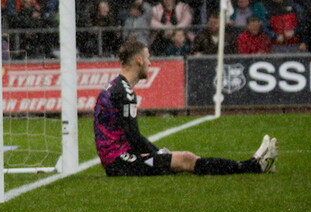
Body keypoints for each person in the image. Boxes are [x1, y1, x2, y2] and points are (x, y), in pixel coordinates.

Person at [94, 39, 277, 177]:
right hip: (119, 162)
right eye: (148, 58)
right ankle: (252, 167)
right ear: (139, 60)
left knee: (181, 160)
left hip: (117, 159)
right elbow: (134, 137)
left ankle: (251, 165)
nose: (150, 63)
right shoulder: (124, 92)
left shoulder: (116, 86)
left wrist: (160, 155)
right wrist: (159, 154)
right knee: (185, 159)